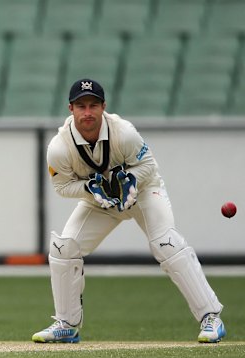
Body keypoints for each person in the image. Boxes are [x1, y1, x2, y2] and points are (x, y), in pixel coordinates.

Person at [32, 79, 226, 344]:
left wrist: (130, 179)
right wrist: (91, 189)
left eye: (93, 105)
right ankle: (67, 324)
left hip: (144, 193)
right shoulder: (58, 147)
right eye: (81, 106)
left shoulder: (124, 133)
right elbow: (62, 186)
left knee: (165, 243)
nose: (87, 112)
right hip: (100, 203)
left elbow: (148, 164)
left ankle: (211, 317)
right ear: (71, 109)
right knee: (64, 248)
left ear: (103, 107)